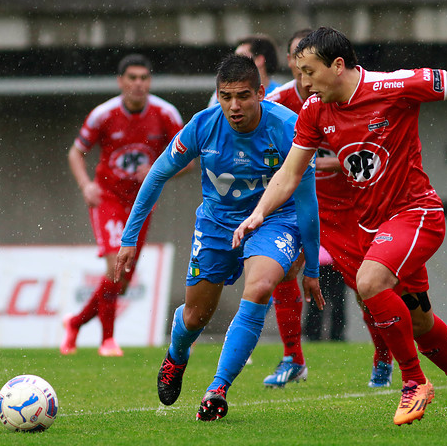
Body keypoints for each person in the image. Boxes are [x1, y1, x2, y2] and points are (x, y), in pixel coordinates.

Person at [234, 27, 447, 428]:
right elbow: (290, 174)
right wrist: (258, 213)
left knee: (370, 282)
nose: (302, 81)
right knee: (420, 322)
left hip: (416, 213)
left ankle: (413, 382)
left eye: (308, 71)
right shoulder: (313, 110)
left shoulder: (393, 85)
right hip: (371, 227)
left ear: (337, 65)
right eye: (298, 71)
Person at [115, 54, 323, 421]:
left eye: (243, 95)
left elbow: (307, 200)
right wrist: (129, 239)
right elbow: (157, 175)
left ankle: (217, 389)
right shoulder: (202, 126)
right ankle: (177, 356)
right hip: (216, 223)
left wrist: (312, 267)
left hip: (275, 220)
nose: (234, 105)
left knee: (259, 288)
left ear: (261, 93)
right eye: (226, 96)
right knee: (195, 316)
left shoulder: (289, 128)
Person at [265, 28, 393, 387]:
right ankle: (293, 357)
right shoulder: (276, 103)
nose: (300, 67)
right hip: (296, 208)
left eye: (307, 61)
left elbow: (373, 144)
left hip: (348, 208)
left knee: (366, 289)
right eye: (294, 58)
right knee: (280, 271)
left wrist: (336, 161)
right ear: (290, 61)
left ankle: (383, 355)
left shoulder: (347, 93)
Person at [61, 53, 185, 357]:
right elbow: (76, 153)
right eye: (132, 78)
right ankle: (108, 341)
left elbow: (188, 159)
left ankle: (75, 324)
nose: (138, 84)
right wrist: (86, 185)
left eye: (144, 78)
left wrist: (161, 169)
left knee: (124, 278)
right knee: (115, 266)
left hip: (142, 204)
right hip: (109, 200)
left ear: (149, 81)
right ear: (121, 82)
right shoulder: (103, 115)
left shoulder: (166, 114)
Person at [207, 34, 281, 107]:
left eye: (241, 56)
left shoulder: (281, 93)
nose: (235, 61)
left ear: (259, 60)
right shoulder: (223, 93)